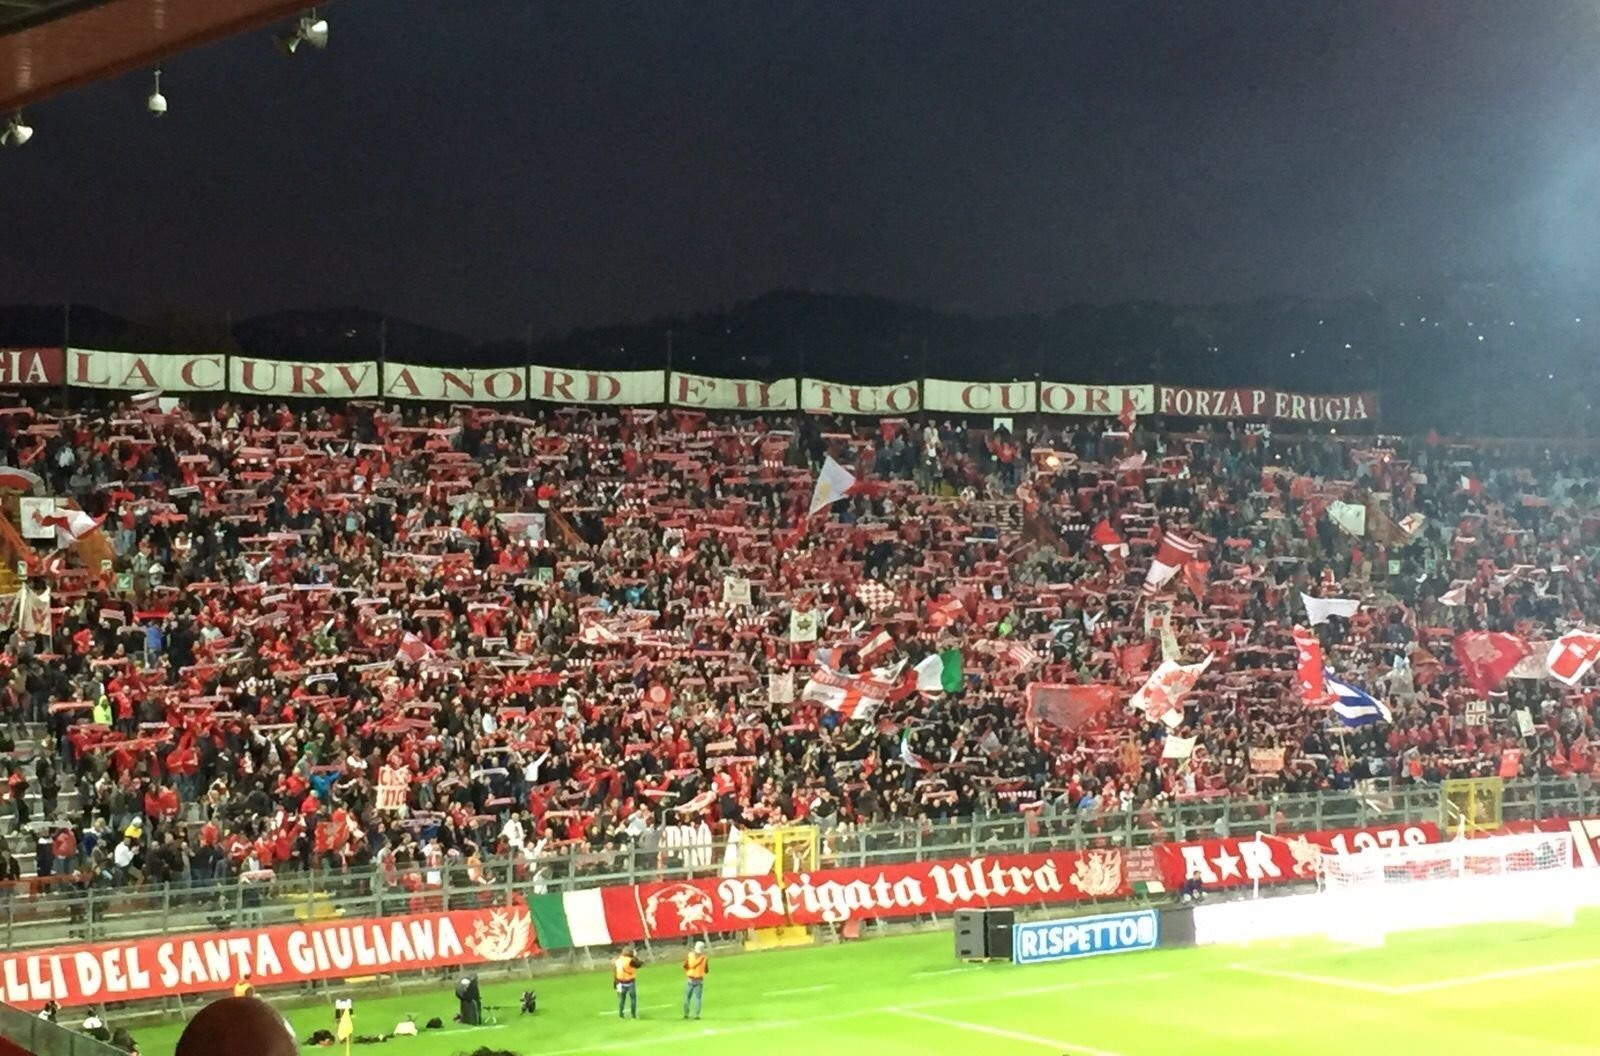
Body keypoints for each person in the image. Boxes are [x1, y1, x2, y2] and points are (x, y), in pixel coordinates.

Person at [682, 941, 708, 1020]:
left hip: (690, 979)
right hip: (699, 980)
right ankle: (697, 1015)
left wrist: (689, 970)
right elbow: (706, 970)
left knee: (687, 997)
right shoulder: (704, 958)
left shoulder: (690, 955)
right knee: (698, 998)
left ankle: (686, 1014)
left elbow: (685, 965)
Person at [613, 945, 641, 1019]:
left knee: (621, 999)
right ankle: (633, 1015)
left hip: (619, 982)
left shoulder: (618, 960)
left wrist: (615, 983)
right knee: (633, 998)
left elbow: (615, 972)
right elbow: (639, 964)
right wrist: (635, 956)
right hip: (630, 982)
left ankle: (621, 1014)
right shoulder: (630, 960)